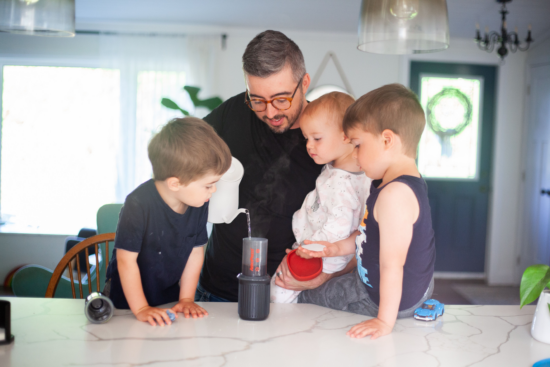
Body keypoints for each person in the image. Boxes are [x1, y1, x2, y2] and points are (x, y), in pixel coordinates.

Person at [197, 30, 355, 302]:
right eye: (257, 100)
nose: (269, 112)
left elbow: (367, 234)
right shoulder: (233, 112)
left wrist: (325, 275)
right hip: (214, 293)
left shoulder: (331, 138)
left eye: (281, 99)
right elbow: (182, 155)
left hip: (288, 298)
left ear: (304, 83)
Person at [298, 84, 436, 340]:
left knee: (306, 295)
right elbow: (367, 235)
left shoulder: (394, 196)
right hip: (412, 287)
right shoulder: (395, 183)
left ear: (387, 140)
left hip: (384, 297)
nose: (355, 153)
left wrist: (383, 321)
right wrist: (333, 249)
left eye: (358, 144)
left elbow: (392, 266)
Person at [105, 117, 232, 326]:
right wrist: (142, 308)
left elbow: (195, 252)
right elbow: (125, 261)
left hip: (167, 301)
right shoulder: (137, 204)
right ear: (175, 183)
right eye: (209, 185)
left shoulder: (198, 201)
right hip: (125, 306)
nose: (214, 190)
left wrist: (186, 299)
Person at [270, 92, 371, 303]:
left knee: (279, 290)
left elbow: (339, 227)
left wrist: (308, 249)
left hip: (320, 256)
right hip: (320, 250)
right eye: (307, 138)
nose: (309, 145)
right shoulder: (345, 169)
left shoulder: (343, 183)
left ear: (346, 136)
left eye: (317, 138)